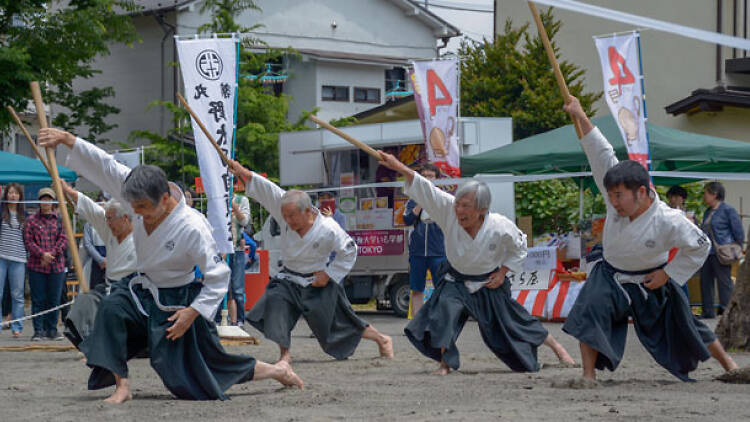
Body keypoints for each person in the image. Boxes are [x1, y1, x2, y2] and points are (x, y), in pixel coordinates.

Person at [38, 127, 303, 403]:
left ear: (165, 199)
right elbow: (106, 165)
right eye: (134, 207)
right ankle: (122, 385)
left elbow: (218, 276)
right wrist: (68, 140)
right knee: (111, 310)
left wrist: (191, 313)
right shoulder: (137, 189)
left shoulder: (192, 227)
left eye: (142, 208)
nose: (136, 213)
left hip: (180, 299)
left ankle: (277, 371)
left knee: (199, 369)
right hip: (141, 288)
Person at [561, 96, 737, 383]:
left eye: (619, 196)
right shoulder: (615, 189)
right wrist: (580, 114)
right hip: (610, 274)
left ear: (641, 192)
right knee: (590, 310)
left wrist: (668, 274)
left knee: (686, 324)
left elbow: (701, 245)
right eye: (611, 195)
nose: (613, 201)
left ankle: (729, 364)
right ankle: (588, 375)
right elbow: (600, 151)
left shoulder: (669, 220)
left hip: (652, 279)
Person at [377, 152, 575, 375]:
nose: (459, 211)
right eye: (458, 204)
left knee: (516, 320)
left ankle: (558, 349)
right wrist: (399, 166)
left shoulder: (500, 226)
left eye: (466, 207)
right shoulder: (448, 209)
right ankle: (445, 363)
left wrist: (502, 273)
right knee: (445, 314)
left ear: (482, 209)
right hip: (456, 278)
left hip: (489, 281)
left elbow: (519, 248)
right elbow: (426, 189)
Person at [228, 160, 394, 363]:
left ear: (308, 211)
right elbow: (267, 189)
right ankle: (284, 355)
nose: (287, 220)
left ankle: (382, 339)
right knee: (277, 306)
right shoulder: (285, 207)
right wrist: (244, 172)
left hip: (316, 280)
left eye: (292, 216)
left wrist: (329, 274)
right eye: (285, 216)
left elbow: (349, 251)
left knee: (339, 322)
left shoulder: (328, 228)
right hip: (288, 277)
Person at [60, 181, 138, 348]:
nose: (107, 223)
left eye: (111, 219)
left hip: (133, 291)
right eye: (107, 220)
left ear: (125, 219)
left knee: (112, 308)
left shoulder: (142, 238)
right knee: (83, 303)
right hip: (109, 287)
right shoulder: (109, 229)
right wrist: (67, 190)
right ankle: (87, 345)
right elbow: (92, 209)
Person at [402, 163, 446, 317]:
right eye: (424, 176)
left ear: (437, 178)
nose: (427, 179)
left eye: (431, 176)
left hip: (438, 251)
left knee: (441, 288)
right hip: (417, 252)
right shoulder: (413, 198)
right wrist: (421, 202)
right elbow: (406, 219)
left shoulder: (443, 198)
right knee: (417, 288)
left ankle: (441, 322)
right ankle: (417, 323)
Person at [24, 187, 67, 341]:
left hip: (56, 266)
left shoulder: (60, 219)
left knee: (54, 299)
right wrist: (42, 254)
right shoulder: (31, 220)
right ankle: (38, 330)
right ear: (39, 201)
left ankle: (52, 330)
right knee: (38, 299)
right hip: (37, 265)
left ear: (53, 201)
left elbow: (63, 239)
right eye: (43, 198)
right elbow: (28, 241)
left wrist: (52, 254)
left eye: (49, 199)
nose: (46, 202)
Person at [700, 181, 744, 319]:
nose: (704, 196)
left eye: (706, 193)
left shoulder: (728, 210)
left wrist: (733, 248)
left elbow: (739, 233)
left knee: (724, 283)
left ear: (715, 194)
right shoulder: (708, 211)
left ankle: (727, 312)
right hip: (707, 252)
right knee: (705, 282)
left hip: (722, 252)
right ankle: (708, 311)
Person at [0, 183, 28, 337]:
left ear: (20, 196)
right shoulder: (1, 211)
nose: (13, 195)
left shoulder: (25, 215)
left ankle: (17, 326)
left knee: (17, 295)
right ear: (6, 195)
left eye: (16, 193)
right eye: (10, 192)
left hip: (19, 259)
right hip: (1, 258)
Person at [665, 185, 694, 299]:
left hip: (682, 253)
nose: (673, 200)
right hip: (668, 253)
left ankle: (685, 307)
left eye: (676, 197)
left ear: (682, 199)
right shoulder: (666, 213)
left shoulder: (688, 215)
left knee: (680, 281)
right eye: (671, 197)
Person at [83, 217, 107, 291]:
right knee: (95, 290)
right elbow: (87, 244)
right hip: (95, 262)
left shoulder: (114, 221)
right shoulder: (89, 224)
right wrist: (101, 260)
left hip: (112, 262)